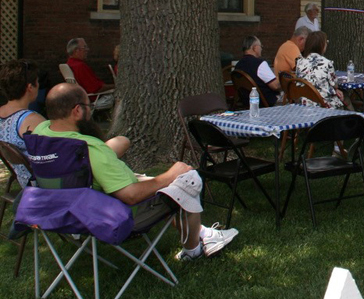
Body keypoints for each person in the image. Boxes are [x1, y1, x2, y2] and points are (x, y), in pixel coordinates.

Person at [34, 83, 238, 261]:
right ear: (77, 111)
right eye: (89, 106)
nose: (91, 110)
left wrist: (107, 151)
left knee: (153, 180)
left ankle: (203, 232)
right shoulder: (89, 149)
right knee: (188, 178)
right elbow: (131, 196)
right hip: (113, 214)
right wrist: (169, 175)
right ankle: (192, 251)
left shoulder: (42, 133)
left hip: (67, 210)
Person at [0, 59, 46, 187]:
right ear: (30, 87)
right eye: (38, 83)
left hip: (21, 178)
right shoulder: (32, 120)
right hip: (39, 184)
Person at [295, 31, 346, 109]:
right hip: (323, 104)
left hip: (304, 103)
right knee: (345, 99)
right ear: (321, 45)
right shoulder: (327, 63)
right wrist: (335, 89)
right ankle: (358, 118)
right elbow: (334, 84)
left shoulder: (300, 62)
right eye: (326, 42)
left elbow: (299, 83)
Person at [66, 38, 115, 110]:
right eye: (85, 47)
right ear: (76, 50)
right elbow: (96, 88)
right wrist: (115, 86)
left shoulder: (69, 63)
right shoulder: (80, 66)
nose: (87, 50)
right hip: (93, 99)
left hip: (80, 97)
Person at [234, 36, 281, 107]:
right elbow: (275, 86)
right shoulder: (260, 64)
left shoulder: (238, 65)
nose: (261, 49)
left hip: (246, 104)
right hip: (266, 104)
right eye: (260, 46)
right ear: (255, 48)